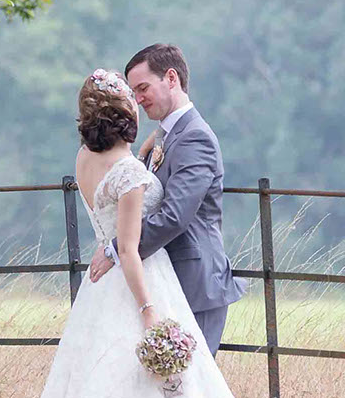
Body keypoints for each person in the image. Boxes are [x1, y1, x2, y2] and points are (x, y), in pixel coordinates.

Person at [14, 69, 265, 398]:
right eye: (132, 97)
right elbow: (130, 245)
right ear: (123, 112)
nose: (139, 101)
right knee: (159, 378)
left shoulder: (86, 159)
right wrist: (147, 306)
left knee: (105, 379)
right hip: (142, 274)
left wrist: (153, 145)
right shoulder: (129, 172)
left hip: (102, 287)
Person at [88, 42, 245, 353]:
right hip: (166, 279)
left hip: (194, 281)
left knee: (190, 388)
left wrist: (116, 249)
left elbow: (175, 216)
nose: (138, 99)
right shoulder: (165, 135)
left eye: (143, 88)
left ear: (171, 78)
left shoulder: (195, 137)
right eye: (133, 92)